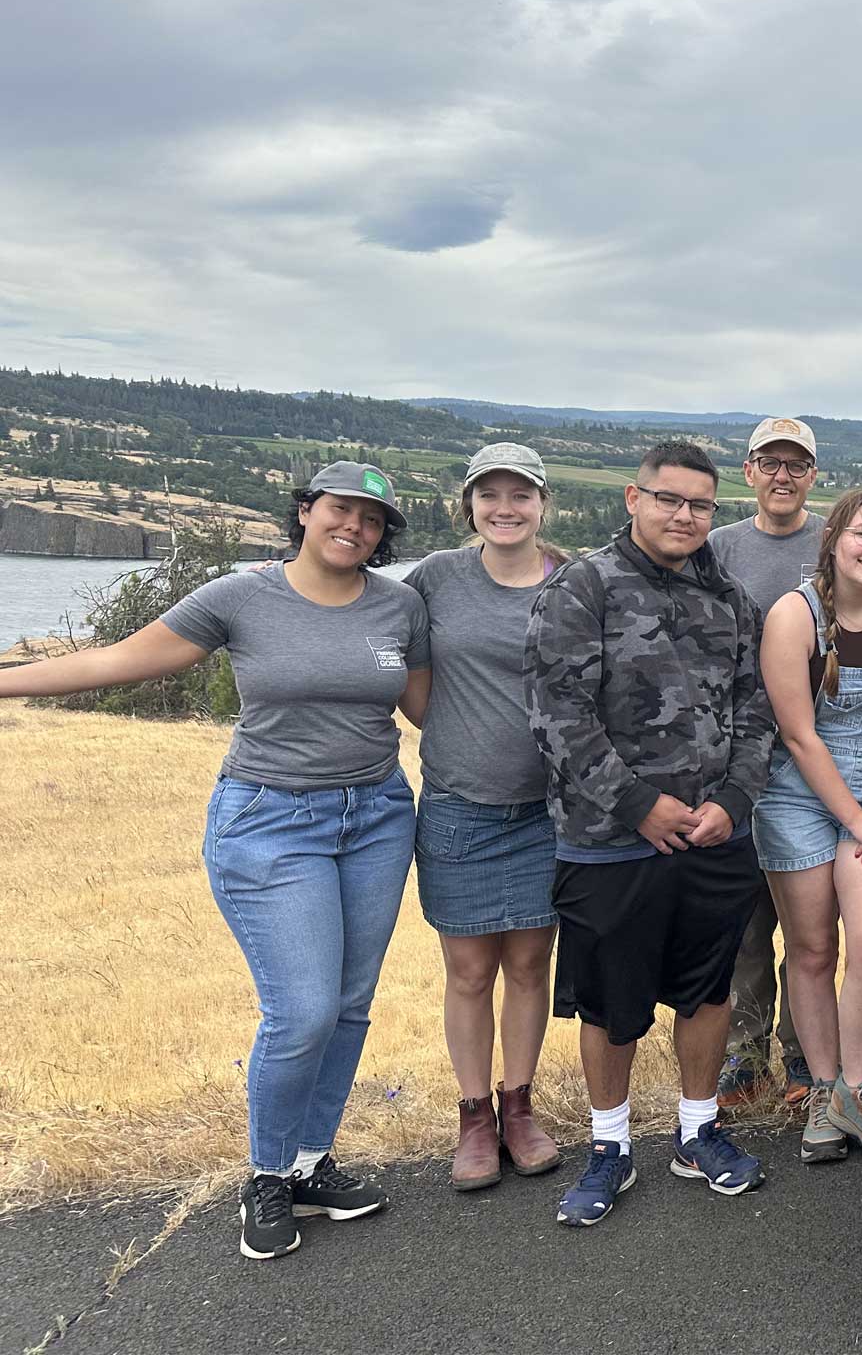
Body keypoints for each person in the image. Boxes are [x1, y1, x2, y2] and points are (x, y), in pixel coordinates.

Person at [0, 462, 427, 1260]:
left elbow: (434, 707)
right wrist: (4, 685)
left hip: (375, 817)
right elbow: (118, 660)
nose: (356, 528)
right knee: (300, 1010)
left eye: (373, 520)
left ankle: (309, 1164)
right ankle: (266, 1176)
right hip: (270, 820)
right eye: (341, 510)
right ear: (304, 512)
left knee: (349, 1003)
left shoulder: (400, 606)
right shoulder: (240, 597)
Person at [527, 439, 774, 1228]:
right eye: (669, 499)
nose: (684, 516)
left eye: (699, 505)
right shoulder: (583, 587)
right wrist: (637, 803)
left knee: (706, 988)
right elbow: (556, 712)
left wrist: (734, 798)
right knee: (611, 1001)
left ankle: (697, 1132)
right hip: (610, 839)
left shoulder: (731, 601)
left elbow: (755, 707)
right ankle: (609, 1148)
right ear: (634, 500)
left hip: (713, 836)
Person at [401, 442, 567, 1190]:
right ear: (468, 504)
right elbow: (403, 664)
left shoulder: (570, 580)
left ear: (542, 505)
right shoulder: (437, 577)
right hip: (459, 807)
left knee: (531, 964)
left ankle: (520, 1107)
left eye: (520, 495)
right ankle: (474, 1117)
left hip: (547, 810)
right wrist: (449, 733)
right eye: (490, 494)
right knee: (470, 971)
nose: (505, 508)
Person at [752, 488, 862, 1169]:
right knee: (811, 951)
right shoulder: (793, 616)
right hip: (798, 795)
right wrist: (850, 815)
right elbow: (798, 736)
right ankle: (826, 1089)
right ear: (835, 538)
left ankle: (859, 1089)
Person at [713, 416, 824, 1110]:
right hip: (735, 754)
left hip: (817, 755)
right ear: (747, 471)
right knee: (745, 919)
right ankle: (745, 1055)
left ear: (814, 475)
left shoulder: (833, 544)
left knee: (812, 924)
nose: (782, 475)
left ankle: (805, 1054)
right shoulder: (719, 547)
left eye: (796, 464)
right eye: (769, 462)